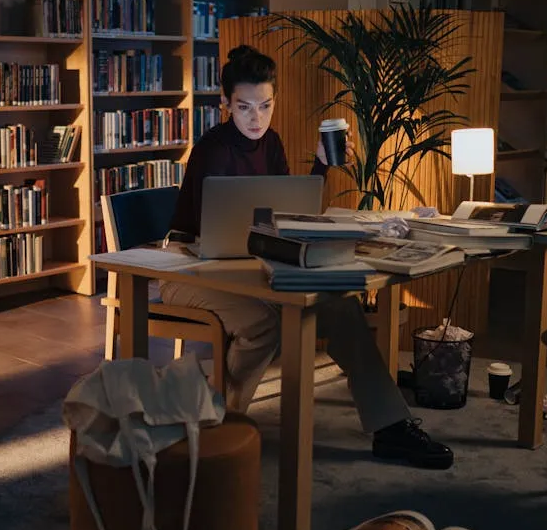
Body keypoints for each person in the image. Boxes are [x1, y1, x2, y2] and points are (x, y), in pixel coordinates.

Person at [161, 45, 454, 470]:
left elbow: (283, 213)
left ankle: (390, 425)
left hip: (248, 260)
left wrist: (319, 166)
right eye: (244, 107)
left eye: (265, 106)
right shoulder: (213, 149)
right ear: (225, 103)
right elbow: (215, 234)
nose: (256, 118)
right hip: (189, 264)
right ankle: (226, 420)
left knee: (340, 306)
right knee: (264, 322)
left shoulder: (272, 143)